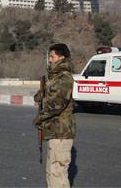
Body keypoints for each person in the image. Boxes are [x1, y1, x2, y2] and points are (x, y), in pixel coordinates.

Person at [34, 43, 76, 188]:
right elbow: (44, 98)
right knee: (52, 173)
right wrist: (41, 94)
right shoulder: (54, 78)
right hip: (55, 132)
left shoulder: (64, 78)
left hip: (61, 132)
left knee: (57, 173)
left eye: (52, 56)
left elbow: (56, 105)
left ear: (62, 57)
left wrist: (38, 119)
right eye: (49, 56)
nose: (50, 60)